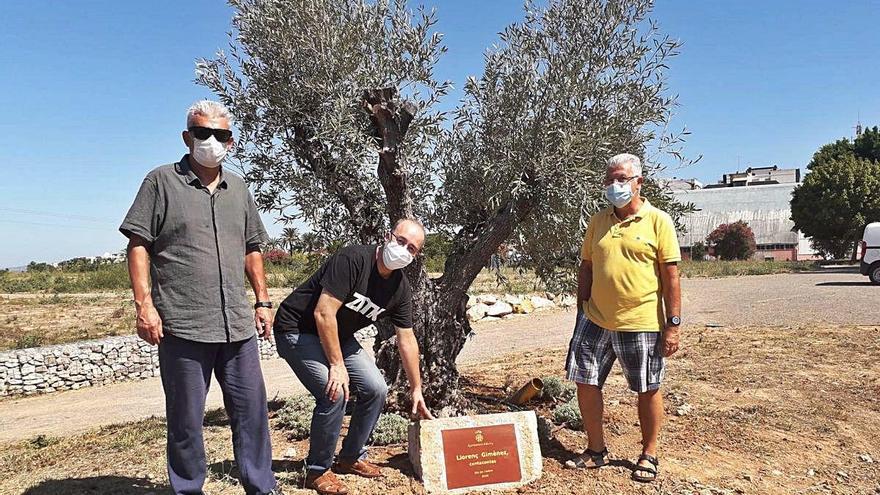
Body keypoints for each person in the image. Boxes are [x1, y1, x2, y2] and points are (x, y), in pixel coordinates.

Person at [120, 100, 281, 495]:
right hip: (183, 324)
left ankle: (262, 488)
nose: (211, 141)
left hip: (237, 326)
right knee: (186, 420)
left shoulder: (238, 188)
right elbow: (138, 245)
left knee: (252, 414)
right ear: (187, 136)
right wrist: (144, 306)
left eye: (220, 134)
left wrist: (262, 300)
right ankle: (189, 489)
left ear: (231, 140)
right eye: (203, 133)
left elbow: (252, 248)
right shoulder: (160, 182)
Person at [273, 219, 434, 495]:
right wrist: (336, 365)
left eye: (412, 249)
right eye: (400, 241)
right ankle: (317, 470)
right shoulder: (353, 259)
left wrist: (416, 388)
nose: (403, 250)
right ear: (387, 236)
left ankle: (350, 457)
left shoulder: (399, 288)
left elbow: (407, 339)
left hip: (339, 335)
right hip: (298, 329)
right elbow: (323, 313)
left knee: (376, 389)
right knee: (334, 391)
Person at [563, 153, 682, 483]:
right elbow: (585, 267)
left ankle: (649, 453)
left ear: (638, 182)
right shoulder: (598, 221)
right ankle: (596, 450)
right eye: (610, 179)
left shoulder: (659, 221)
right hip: (594, 320)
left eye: (621, 179)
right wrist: (580, 310)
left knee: (647, 387)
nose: (614, 186)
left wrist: (672, 325)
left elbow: (671, 277)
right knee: (585, 381)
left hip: (641, 322)